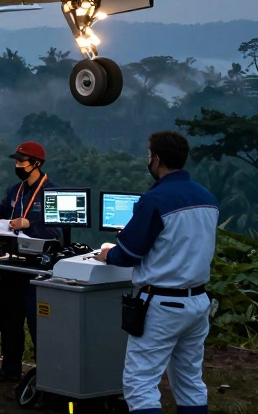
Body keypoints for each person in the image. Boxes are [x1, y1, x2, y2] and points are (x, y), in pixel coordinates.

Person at [96, 131, 218, 414]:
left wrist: (107, 254)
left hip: (162, 304)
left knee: (140, 384)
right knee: (189, 381)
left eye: (149, 154)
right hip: (198, 303)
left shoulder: (154, 200)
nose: (148, 159)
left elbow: (129, 254)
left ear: (157, 159)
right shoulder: (208, 198)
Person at [0, 141, 59, 383]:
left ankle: (46, 374)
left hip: (39, 268)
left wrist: (30, 225)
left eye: (22, 161)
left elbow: (58, 230)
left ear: (36, 164)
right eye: (16, 160)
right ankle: (10, 368)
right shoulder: (15, 191)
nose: (17, 165)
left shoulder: (52, 192)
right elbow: (1, 217)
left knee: (38, 322)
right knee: (10, 318)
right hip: (13, 264)